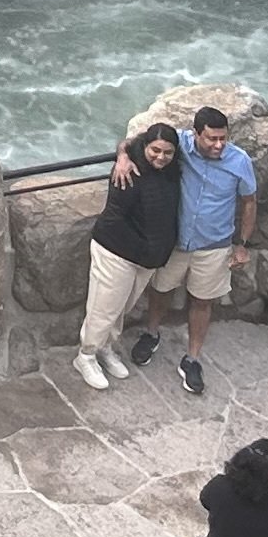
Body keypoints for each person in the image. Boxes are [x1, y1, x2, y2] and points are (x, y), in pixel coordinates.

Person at [75, 124, 185, 390]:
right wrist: (123, 156)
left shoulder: (171, 172)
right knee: (104, 308)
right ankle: (86, 355)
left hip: (146, 258)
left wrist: (152, 251)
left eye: (167, 152)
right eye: (154, 150)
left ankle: (106, 348)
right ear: (145, 147)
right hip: (117, 252)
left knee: (121, 309)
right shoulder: (128, 173)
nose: (160, 157)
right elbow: (115, 218)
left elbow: (128, 141)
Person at [167, 105, 260, 396]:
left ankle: (192, 358)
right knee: (159, 289)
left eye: (223, 138)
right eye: (211, 139)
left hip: (215, 244)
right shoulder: (179, 143)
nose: (218, 145)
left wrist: (242, 245)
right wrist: (121, 157)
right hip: (176, 240)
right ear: (195, 134)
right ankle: (151, 333)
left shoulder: (239, 160)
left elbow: (249, 202)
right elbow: (137, 145)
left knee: (202, 301)